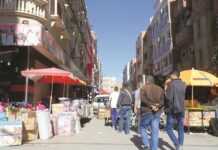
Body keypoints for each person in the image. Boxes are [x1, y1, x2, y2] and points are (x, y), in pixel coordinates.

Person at [140, 75, 164, 150]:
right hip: (157, 112)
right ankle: (154, 148)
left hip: (147, 112)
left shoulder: (144, 88)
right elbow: (163, 100)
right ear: (153, 81)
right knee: (155, 131)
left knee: (142, 127)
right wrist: (157, 106)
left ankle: (146, 144)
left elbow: (143, 99)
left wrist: (151, 105)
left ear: (147, 81)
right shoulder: (160, 89)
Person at [165, 71, 186, 150]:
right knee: (180, 127)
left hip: (172, 109)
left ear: (173, 75)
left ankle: (177, 143)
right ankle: (180, 144)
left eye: (170, 75)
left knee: (168, 128)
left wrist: (166, 87)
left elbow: (168, 98)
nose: (170, 76)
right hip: (181, 109)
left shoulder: (171, 84)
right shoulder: (184, 84)